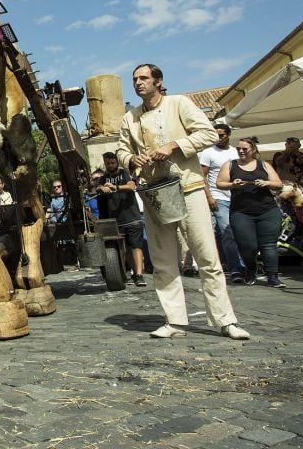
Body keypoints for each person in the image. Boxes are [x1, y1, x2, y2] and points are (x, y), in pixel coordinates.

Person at [116, 63, 249, 340]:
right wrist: (130, 159)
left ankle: (226, 321)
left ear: (158, 81)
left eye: (144, 78)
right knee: (163, 260)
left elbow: (209, 134)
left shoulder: (179, 104)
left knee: (207, 257)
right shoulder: (130, 117)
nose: (138, 83)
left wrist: (174, 146)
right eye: (135, 79)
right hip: (154, 193)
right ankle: (175, 321)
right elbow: (120, 149)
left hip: (188, 187)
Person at [217, 137, 286, 287]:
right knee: (248, 245)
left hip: (267, 210)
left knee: (268, 244)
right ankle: (250, 269)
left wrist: (267, 183)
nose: (241, 151)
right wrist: (233, 185)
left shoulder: (264, 165)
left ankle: (272, 276)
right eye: (238, 149)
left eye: (245, 149)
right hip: (241, 212)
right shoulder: (230, 165)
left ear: (253, 150)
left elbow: (278, 183)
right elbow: (220, 183)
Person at [199, 124, 245, 281]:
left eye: (222, 135)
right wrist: (209, 196)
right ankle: (236, 268)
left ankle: (241, 264)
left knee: (240, 232)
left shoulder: (236, 152)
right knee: (227, 232)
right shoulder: (208, 153)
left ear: (229, 135)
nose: (219, 138)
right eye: (216, 135)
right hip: (218, 196)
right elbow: (201, 176)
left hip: (238, 197)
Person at [97, 152, 146, 287]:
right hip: (116, 219)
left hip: (131, 216)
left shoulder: (123, 173)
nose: (111, 165)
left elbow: (131, 186)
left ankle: (140, 275)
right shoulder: (104, 177)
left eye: (113, 163)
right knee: (125, 248)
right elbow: (97, 188)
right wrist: (102, 188)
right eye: (108, 163)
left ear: (116, 162)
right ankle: (133, 272)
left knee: (136, 246)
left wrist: (116, 187)